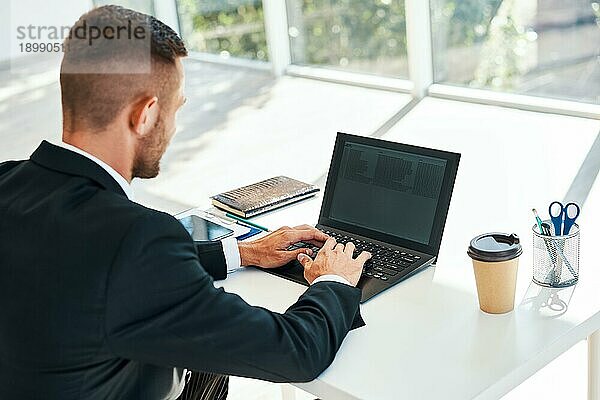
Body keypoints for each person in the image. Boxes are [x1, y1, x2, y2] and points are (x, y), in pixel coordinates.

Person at [0, 5, 371, 400]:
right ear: (145, 115)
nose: (174, 126)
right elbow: (295, 352)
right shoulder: (138, 238)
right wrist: (336, 280)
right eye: (176, 107)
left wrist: (241, 253)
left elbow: (86, 264)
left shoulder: (8, 181)